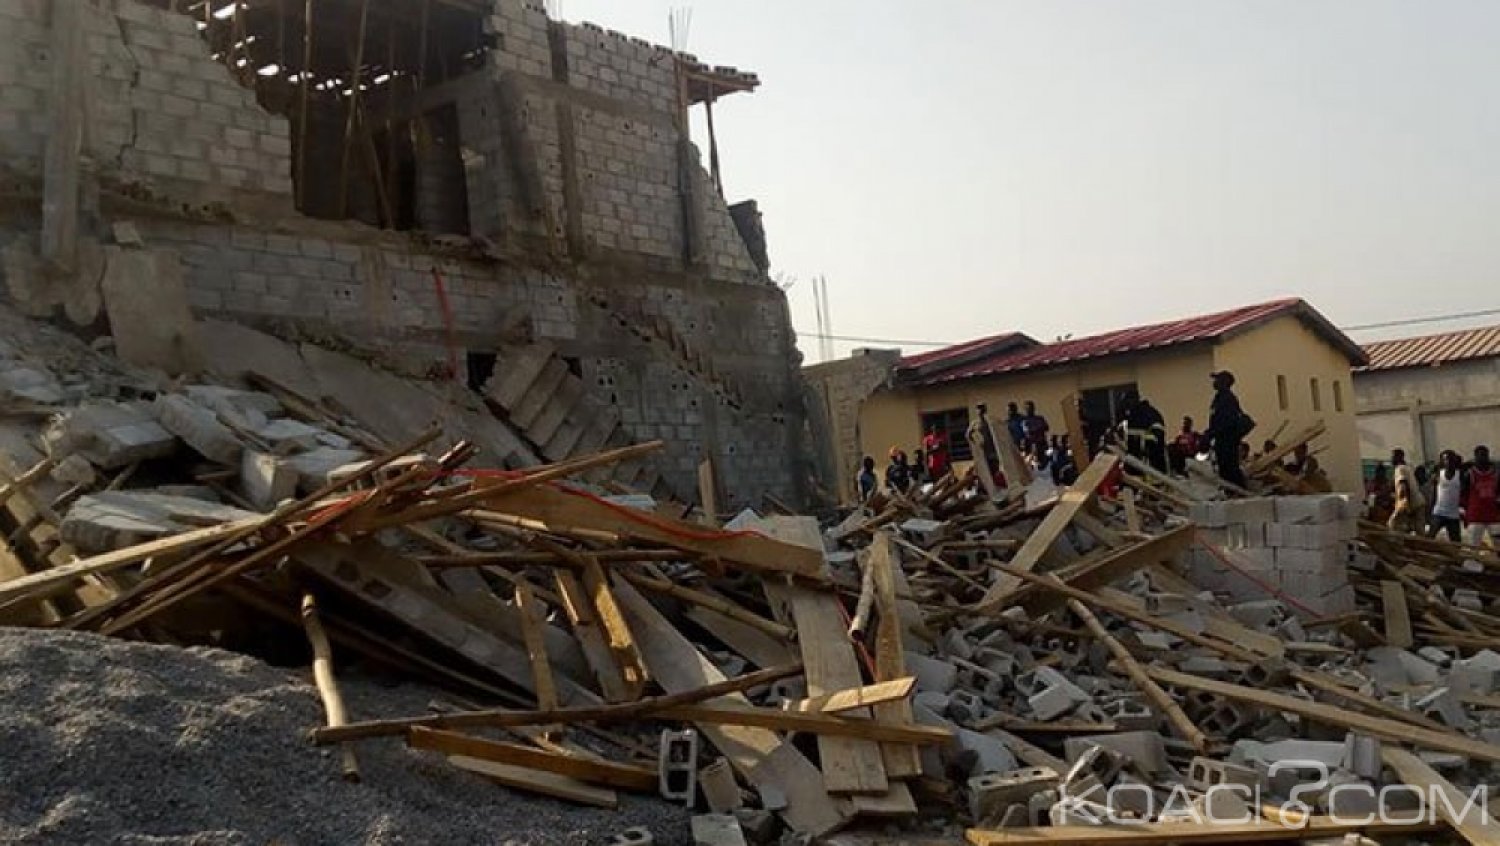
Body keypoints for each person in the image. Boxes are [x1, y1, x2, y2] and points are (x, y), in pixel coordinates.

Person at [1205, 371, 1251, 488]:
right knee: (1224, 468)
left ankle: (1237, 490)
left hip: (1227, 440)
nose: (1214, 382)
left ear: (1224, 382)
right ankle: (1232, 489)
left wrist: (1211, 433)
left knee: (1229, 468)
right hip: (1221, 440)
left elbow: (1225, 422)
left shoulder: (1227, 399)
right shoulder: (1219, 398)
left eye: (1217, 379)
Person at [1463, 445, 1500, 546]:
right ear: (1475, 457)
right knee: (1473, 546)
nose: (1482, 458)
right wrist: (1465, 512)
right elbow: (1463, 494)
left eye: (1485, 455)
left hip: (1493, 516)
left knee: (1498, 545)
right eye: (1480, 456)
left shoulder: (1496, 474)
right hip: (1475, 516)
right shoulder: (1469, 474)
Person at [1123, 394, 1168, 473]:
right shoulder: (1136, 415)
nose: (1127, 404)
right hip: (1142, 463)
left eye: (1128, 401)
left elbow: (1156, 437)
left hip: (1150, 462)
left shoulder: (1144, 415)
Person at [1428, 451, 1463, 542]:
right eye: (1446, 459)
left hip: (1453, 514)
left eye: (1451, 459)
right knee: (1429, 538)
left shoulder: (1461, 475)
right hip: (1438, 512)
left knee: (1456, 542)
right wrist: (1429, 511)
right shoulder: (1438, 475)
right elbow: (1433, 494)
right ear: (1442, 461)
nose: (1448, 462)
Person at [1388, 449, 1425, 533]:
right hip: (1418, 502)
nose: (1391, 459)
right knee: (1419, 530)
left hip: (1409, 503)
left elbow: (1403, 488)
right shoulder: (1407, 467)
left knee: (1393, 524)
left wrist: (1407, 506)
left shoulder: (1400, 469)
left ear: (1399, 457)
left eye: (1392, 457)